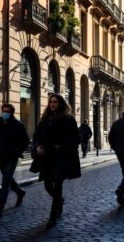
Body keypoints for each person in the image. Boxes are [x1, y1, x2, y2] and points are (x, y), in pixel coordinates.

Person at [32, 93, 81, 229]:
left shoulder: (69, 119)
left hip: (62, 157)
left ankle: (52, 216)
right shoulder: (44, 119)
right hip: (47, 158)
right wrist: (38, 146)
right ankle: (59, 200)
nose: (52, 104)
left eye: (55, 102)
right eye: (51, 102)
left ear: (61, 104)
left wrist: (62, 146)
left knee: (58, 184)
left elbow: (76, 139)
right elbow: (36, 136)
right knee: (48, 186)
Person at [0, 103, 29, 216]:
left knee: (5, 181)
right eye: (3, 111)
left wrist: (16, 152)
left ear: (11, 113)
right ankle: (20, 192)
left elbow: (25, 141)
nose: (5, 113)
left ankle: (0, 207)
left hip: (12, 158)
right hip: (0, 157)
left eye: (7, 111)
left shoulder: (18, 125)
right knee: (8, 179)